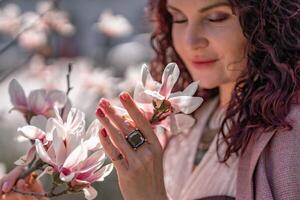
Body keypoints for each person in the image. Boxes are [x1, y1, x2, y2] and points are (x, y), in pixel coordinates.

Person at [1, 0, 300, 199]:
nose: (190, 40)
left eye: (216, 17)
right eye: (178, 18)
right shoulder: (185, 120)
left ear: (264, 23)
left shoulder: (290, 135)